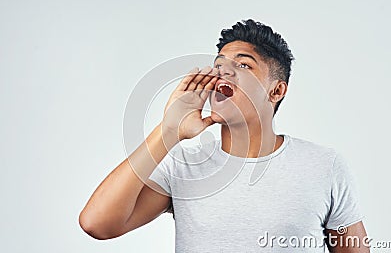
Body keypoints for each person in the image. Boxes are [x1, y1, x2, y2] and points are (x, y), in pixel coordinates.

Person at [79, 19, 369, 252]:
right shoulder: (184, 166)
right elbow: (97, 224)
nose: (223, 73)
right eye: (219, 65)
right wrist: (168, 131)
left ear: (276, 90)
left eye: (243, 65)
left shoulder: (324, 165)